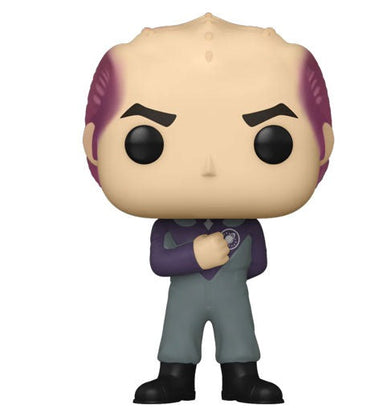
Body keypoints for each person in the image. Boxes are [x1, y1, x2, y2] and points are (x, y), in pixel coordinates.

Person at [83, 13, 334, 404]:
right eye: (146, 142)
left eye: (272, 142)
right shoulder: (171, 226)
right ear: (93, 146)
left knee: (239, 333)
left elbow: (259, 263)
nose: (208, 167)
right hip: (190, 294)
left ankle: (241, 378)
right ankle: (175, 377)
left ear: (323, 145)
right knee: (178, 333)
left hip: (232, 294)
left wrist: (230, 267)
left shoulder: (245, 225)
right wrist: (195, 256)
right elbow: (159, 263)